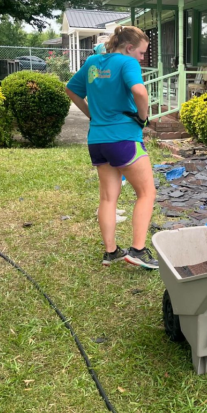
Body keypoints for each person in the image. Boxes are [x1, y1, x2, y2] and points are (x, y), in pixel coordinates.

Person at [65, 25, 158, 269]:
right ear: (129, 48)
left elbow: (71, 89)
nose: (141, 58)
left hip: (98, 140)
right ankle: (137, 250)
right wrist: (142, 118)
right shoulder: (127, 63)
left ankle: (111, 252)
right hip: (124, 138)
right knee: (147, 193)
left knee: (108, 197)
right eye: (141, 53)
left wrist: (91, 115)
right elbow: (140, 91)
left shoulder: (94, 62)